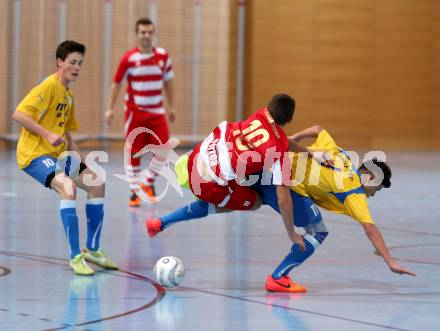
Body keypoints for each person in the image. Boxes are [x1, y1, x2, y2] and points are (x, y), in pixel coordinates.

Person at [147, 126, 416, 292]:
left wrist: (288, 141)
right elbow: (370, 228)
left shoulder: (342, 154)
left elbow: (317, 128)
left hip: (268, 166)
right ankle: (278, 277)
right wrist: (389, 261)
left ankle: (161, 223)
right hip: (286, 185)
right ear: (369, 178)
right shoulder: (354, 191)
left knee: (229, 205)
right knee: (318, 231)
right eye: (376, 189)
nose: (373, 194)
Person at [147, 94, 332, 251]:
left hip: (200, 154)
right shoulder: (279, 152)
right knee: (255, 202)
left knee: (240, 176)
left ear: (269, 109)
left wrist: (310, 153)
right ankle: (163, 222)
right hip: (205, 183)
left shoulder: (260, 114)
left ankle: (160, 222)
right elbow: (284, 201)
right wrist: (292, 234)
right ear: (289, 120)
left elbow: (281, 139)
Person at [12, 40, 118, 276]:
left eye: (80, 63)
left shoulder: (68, 95)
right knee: (67, 187)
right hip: (35, 154)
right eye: (72, 62)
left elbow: (66, 131)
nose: (77, 67)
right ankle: (75, 256)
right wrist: (47, 134)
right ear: (60, 62)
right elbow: (19, 114)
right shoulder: (48, 86)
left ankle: (92, 249)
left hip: (58, 154)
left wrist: (80, 160)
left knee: (96, 183)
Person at [105, 17, 176, 207]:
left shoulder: (163, 56)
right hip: (135, 113)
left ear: (154, 34)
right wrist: (110, 108)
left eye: (149, 32)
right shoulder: (129, 58)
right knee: (134, 152)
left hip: (157, 112)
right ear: (137, 35)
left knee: (163, 150)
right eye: (142, 32)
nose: (146, 36)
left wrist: (172, 106)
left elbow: (169, 82)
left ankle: (147, 184)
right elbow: (117, 84)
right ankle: (135, 192)